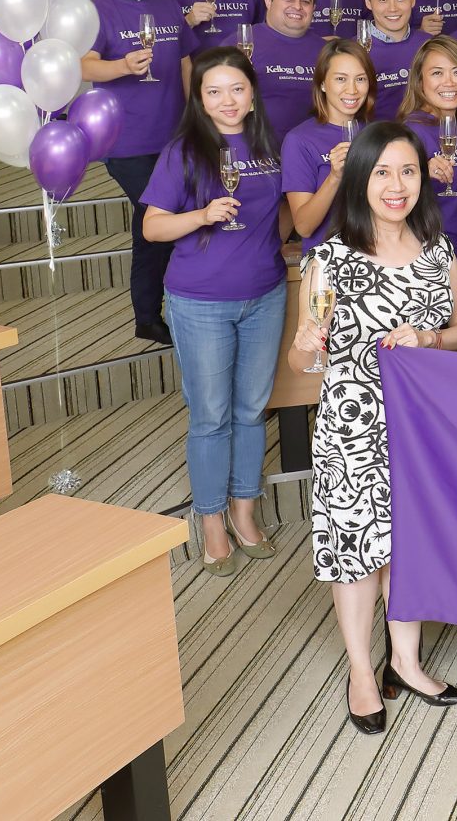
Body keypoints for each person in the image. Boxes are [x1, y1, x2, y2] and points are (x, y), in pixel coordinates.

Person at [289, 121, 457, 735]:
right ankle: (361, 671)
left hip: (423, 427)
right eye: (381, 173)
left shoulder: (438, 251)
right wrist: (306, 341)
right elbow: (301, 360)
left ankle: (406, 661)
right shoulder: (328, 260)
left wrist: (430, 337)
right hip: (352, 425)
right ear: (359, 180)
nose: (396, 186)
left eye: (408, 172)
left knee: (409, 546)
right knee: (357, 555)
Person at [140, 47, 286, 575]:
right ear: (200, 100)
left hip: (266, 295)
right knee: (211, 417)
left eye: (237, 89)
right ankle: (211, 521)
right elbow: (153, 227)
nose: (227, 100)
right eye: (214, 91)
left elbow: (281, 219)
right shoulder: (184, 151)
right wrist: (201, 215)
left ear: (252, 94)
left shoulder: (270, 144)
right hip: (200, 302)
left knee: (251, 410)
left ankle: (245, 510)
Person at [83, 0, 191, 345]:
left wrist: (196, 118)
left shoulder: (167, 6)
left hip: (173, 135)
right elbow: (84, 64)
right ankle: (153, 312)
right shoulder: (98, 10)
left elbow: (184, 63)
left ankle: (150, 313)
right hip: (125, 140)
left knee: (151, 222)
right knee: (160, 218)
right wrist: (122, 67)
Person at [398, 37, 457, 282]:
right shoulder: (410, 132)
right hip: (435, 264)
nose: (449, 82)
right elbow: (389, 198)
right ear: (420, 81)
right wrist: (419, 174)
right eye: (437, 73)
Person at [282, 37, 376, 256]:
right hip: (327, 265)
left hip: (376, 259)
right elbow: (304, 227)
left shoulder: (376, 133)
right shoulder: (299, 140)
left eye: (360, 79)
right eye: (341, 79)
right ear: (323, 83)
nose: (352, 89)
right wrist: (334, 177)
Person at [248, 0, 326, 137]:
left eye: (305, 1)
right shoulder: (242, 44)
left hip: (313, 154)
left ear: (313, 8)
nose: (297, 6)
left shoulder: (326, 51)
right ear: (268, 2)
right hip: (256, 155)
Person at [359, 0, 426, 116]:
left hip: (423, 137)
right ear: (368, 2)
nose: (392, 8)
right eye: (382, 0)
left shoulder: (430, 45)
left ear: (413, 0)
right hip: (373, 138)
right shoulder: (353, 50)